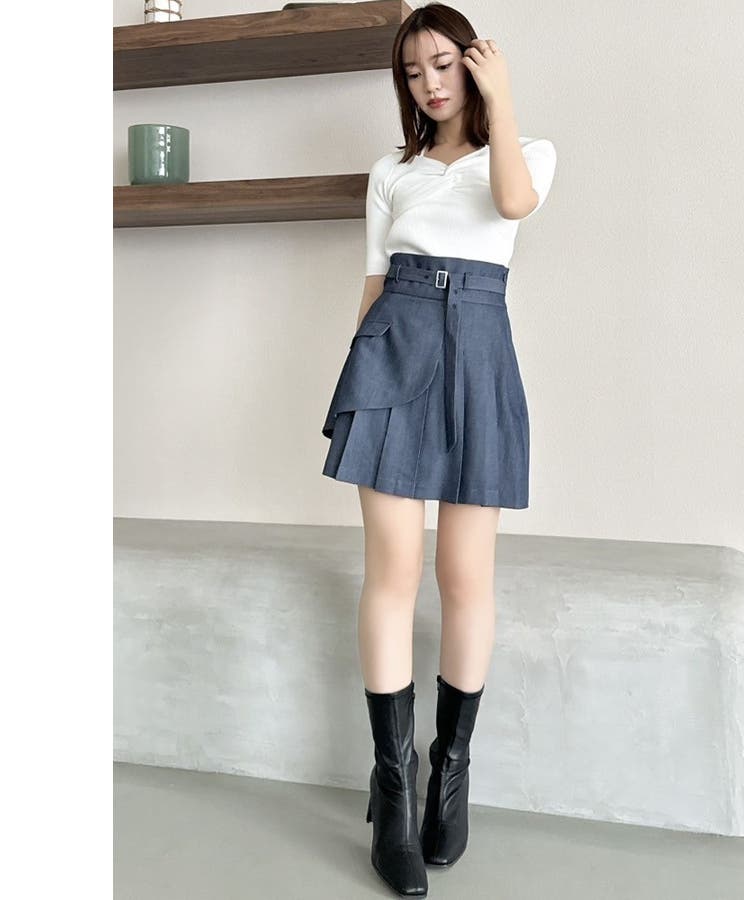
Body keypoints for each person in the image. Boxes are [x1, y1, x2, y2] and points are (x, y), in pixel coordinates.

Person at [320, 3, 556, 895]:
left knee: (465, 578)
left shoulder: (527, 153)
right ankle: (392, 790)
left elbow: (513, 205)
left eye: (444, 63)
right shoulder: (393, 172)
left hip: (480, 356)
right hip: (396, 346)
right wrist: (354, 382)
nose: (429, 82)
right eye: (413, 70)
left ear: (476, 62)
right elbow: (374, 280)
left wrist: (504, 99)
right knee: (390, 573)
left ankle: (447, 775)